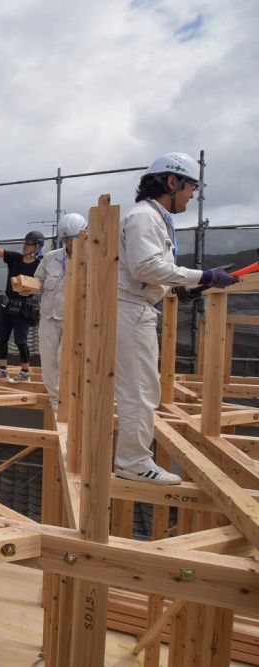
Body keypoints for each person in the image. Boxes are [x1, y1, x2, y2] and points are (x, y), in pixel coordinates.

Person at [114, 152, 239, 484]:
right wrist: (201, 276)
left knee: (139, 387)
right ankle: (133, 462)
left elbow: (143, 272)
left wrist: (178, 290)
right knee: (140, 389)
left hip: (133, 305)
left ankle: (132, 459)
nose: (192, 195)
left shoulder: (153, 218)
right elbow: (144, 267)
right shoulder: (145, 217)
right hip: (128, 309)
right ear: (172, 181)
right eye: (190, 187)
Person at [34, 213, 87, 416]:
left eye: (72, 238)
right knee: (49, 362)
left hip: (74, 320)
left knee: (66, 361)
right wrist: (27, 286)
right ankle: (56, 403)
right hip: (49, 317)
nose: (69, 243)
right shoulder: (51, 258)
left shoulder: (92, 259)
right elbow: (38, 280)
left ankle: (72, 401)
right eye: (65, 239)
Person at [0, 231, 44, 382]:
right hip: (7, 304)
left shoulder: (39, 265)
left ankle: (25, 373)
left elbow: (41, 284)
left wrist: (28, 288)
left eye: (29, 244)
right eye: (25, 243)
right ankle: (2, 370)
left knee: (21, 340)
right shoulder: (15, 258)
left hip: (23, 306)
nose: (25, 246)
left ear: (37, 247)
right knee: (1, 337)